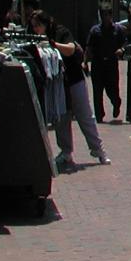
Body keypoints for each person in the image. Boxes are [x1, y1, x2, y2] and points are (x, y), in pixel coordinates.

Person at [34, 10, 109, 169]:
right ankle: (66, 152)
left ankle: (98, 150)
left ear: (46, 24)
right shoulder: (35, 36)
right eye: (33, 26)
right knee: (62, 116)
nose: (35, 29)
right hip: (58, 83)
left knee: (84, 115)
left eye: (38, 25)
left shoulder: (61, 32)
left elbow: (70, 48)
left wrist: (54, 44)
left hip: (74, 80)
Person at [85, 7, 127, 122]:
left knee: (112, 89)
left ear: (110, 16)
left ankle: (116, 102)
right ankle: (99, 115)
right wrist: (85, 62)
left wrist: (121, 50)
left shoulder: (118, 30)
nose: (105, 18)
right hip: (97, 63)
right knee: (97, 91)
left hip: (111, 63)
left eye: (107, 15)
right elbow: (88, 47)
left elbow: (124, 43)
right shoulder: (95, 30)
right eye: (102, 15)